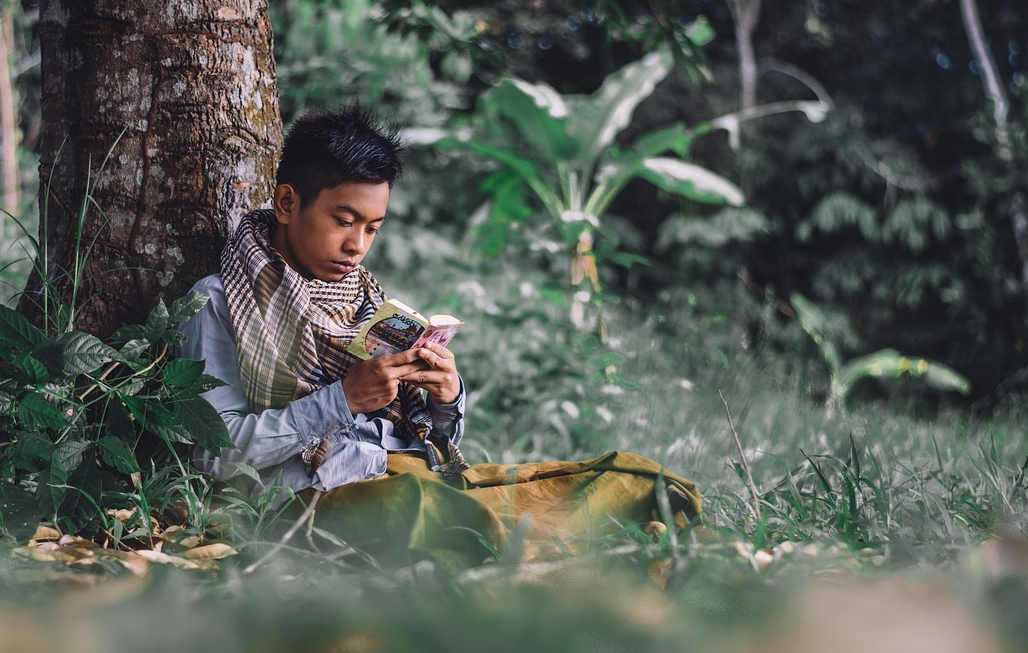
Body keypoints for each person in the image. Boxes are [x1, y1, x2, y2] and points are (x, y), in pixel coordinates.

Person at [176, 106, 699, 568]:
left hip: (405, 470)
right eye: (344, 220)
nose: (357, 245)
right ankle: (544, 544)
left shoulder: (362, 300)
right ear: (288, 203)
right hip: (315, 498)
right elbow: (215, 456)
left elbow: (434, 443)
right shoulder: (220, 301)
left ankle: (544, 533)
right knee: (428, 511)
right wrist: (342, 400)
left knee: (636, 478)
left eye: (373, 228)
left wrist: (445, 398)